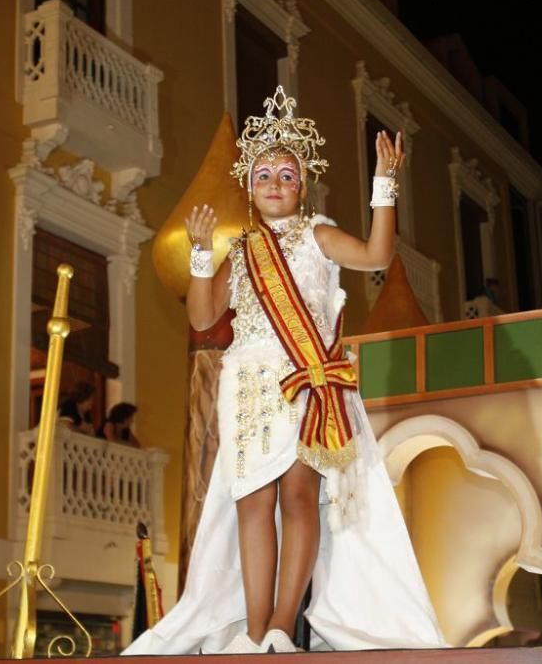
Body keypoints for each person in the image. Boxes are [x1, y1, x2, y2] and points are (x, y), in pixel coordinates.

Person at [122, 86, 444, 655]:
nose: (275, 183)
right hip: (247, 385)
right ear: (250, 185)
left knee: (298, 499)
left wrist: (385, 186)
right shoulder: (241, 250)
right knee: (252, 504)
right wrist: (201, 255)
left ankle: (281, 622)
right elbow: (203, 316)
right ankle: (251, 631)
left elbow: (374, 256)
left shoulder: (317, 233)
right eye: (265, 174)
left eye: (287, 175)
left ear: (303, 185)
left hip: (306, 378)